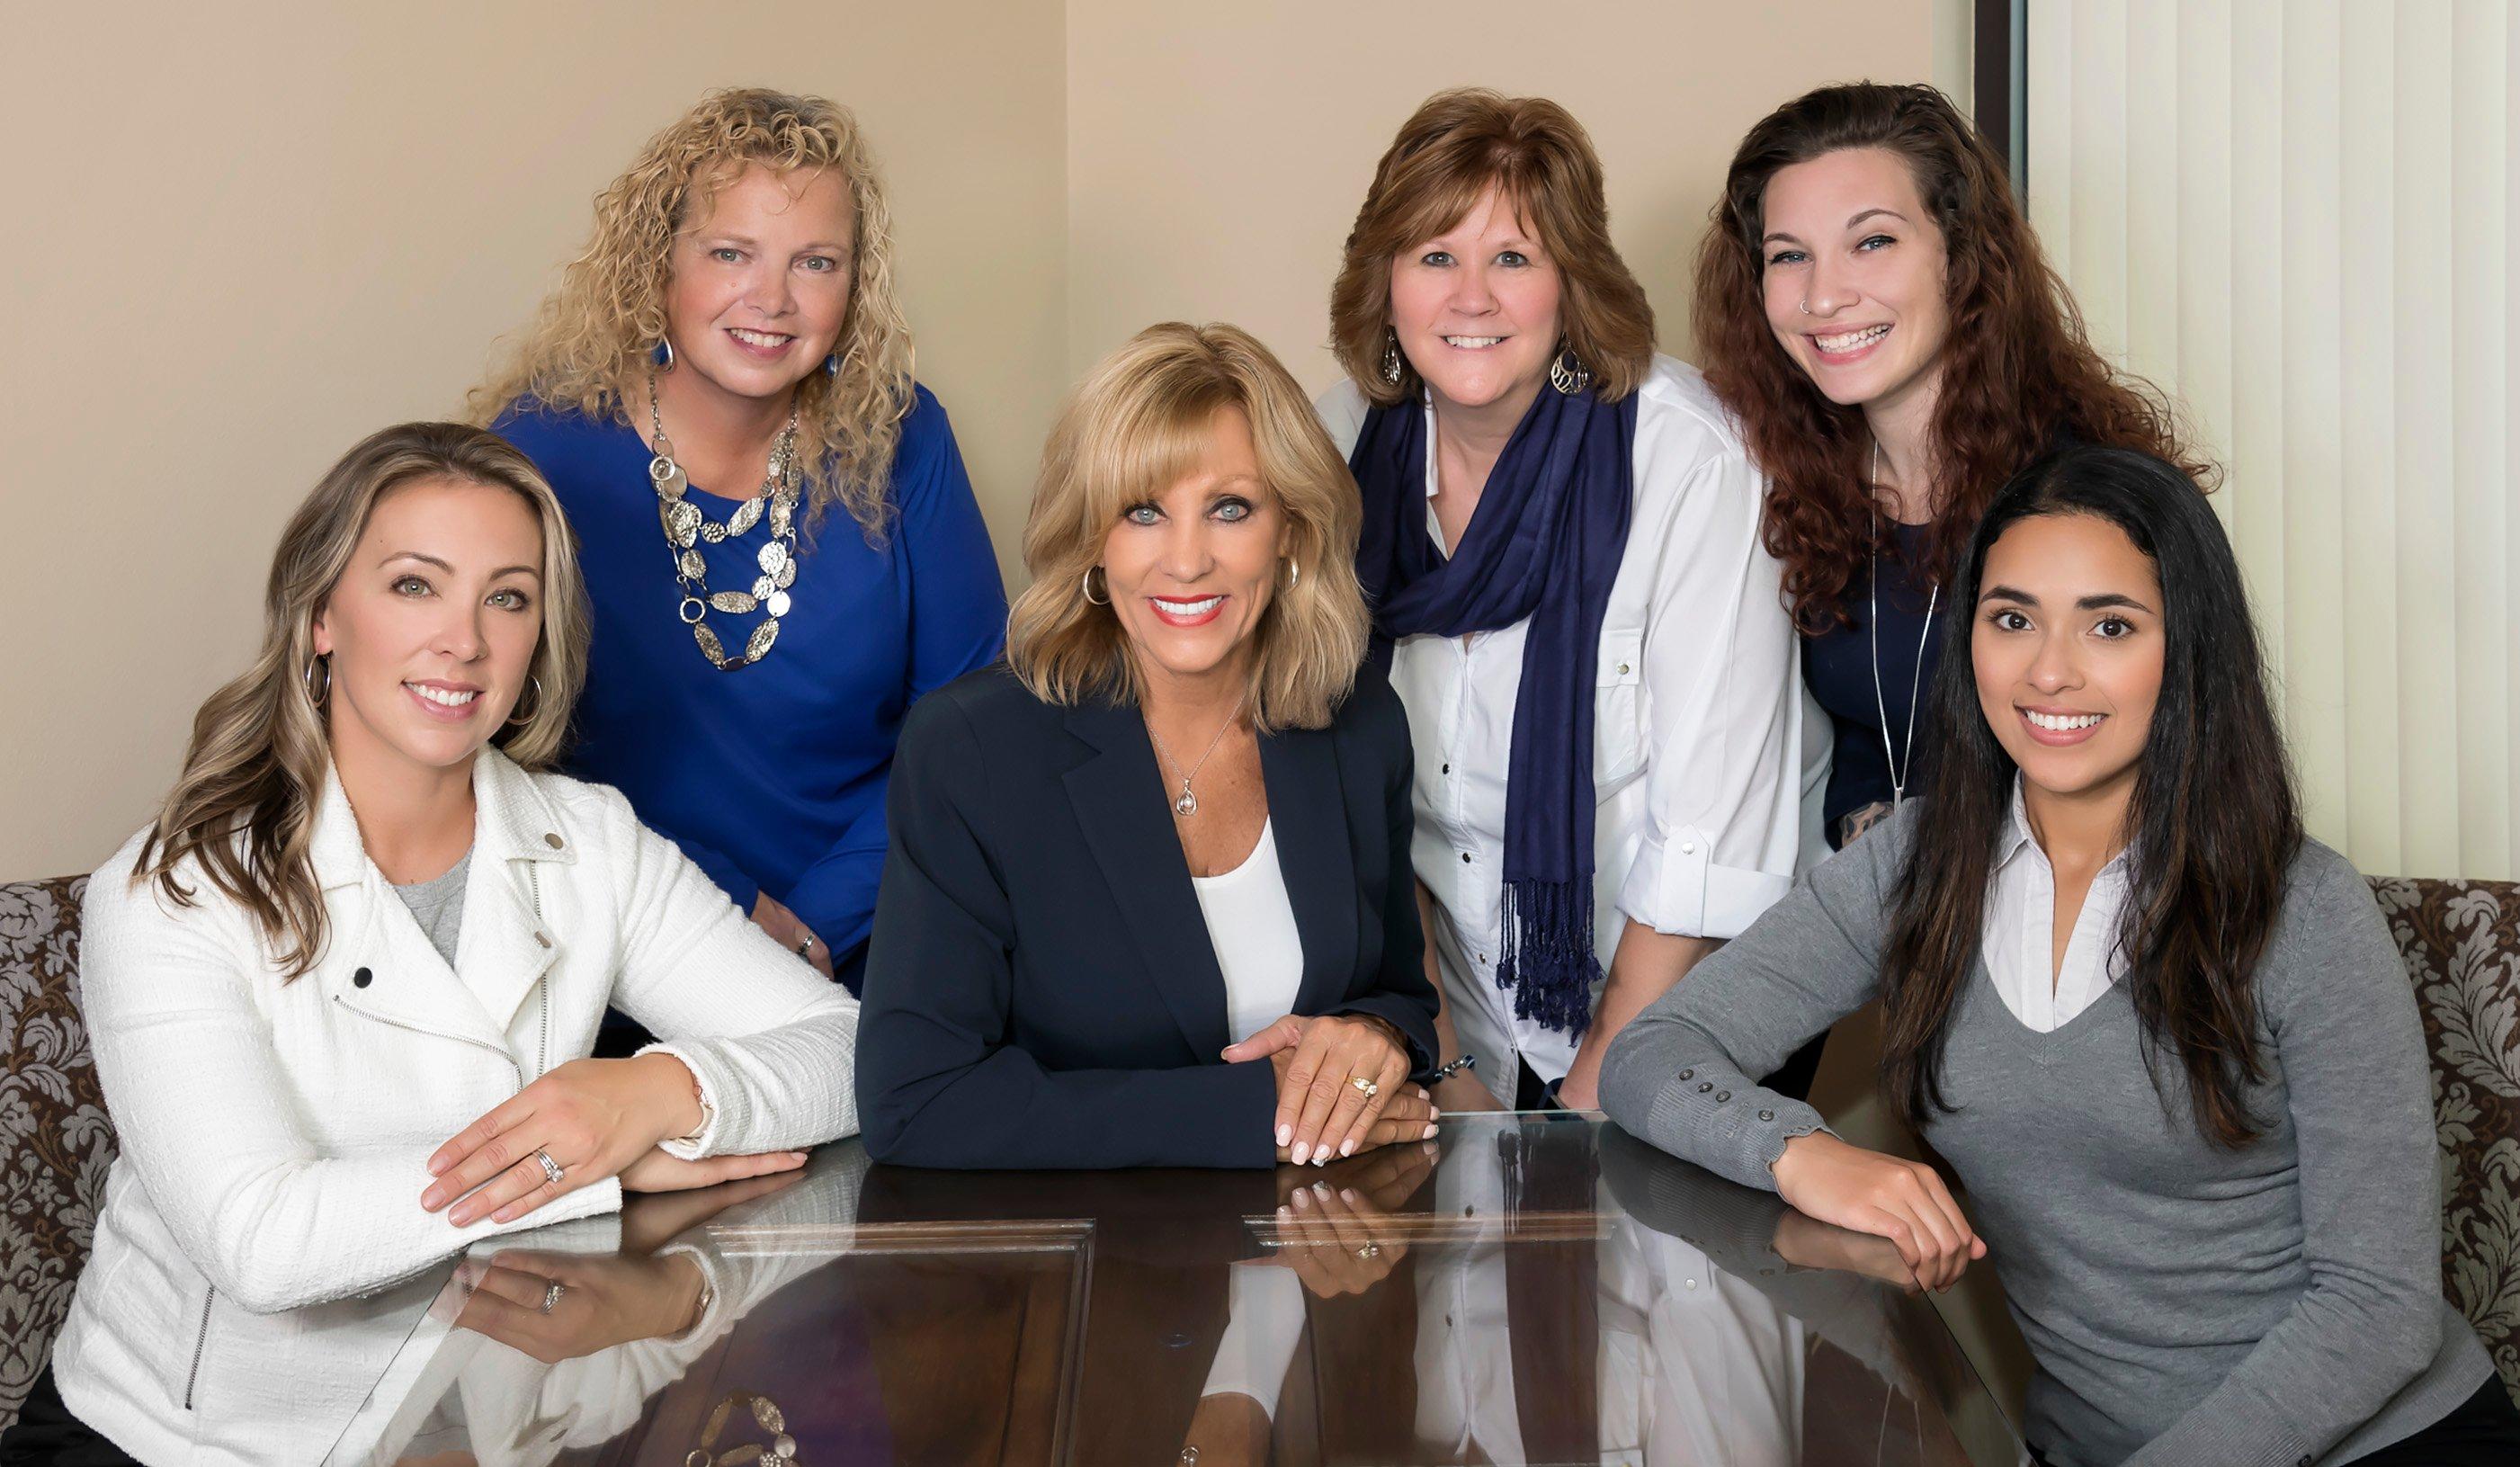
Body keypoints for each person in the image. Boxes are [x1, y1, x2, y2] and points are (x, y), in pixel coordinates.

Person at [1601, 445, 2515, 1465]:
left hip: (2382, 1444)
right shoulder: (1914, 860)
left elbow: (2379, 1308)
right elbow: (1653, 1051)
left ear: (2188, 651)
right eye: (2013, 617)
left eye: (2110, 624)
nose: (2049, 669)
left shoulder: (2305, 909)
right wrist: (1801, 1152)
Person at [17, 425, 860, 1464]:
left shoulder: (591, 839)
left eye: (507, 597)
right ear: (322, 615)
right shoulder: (172, 890)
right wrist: (593, 1165)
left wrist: (656, 1094)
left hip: (484, 1416)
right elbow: (262, 1240)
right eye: (416, 586)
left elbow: (846, 1048)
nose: (463, 640)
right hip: (190, 1445)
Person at [1318, 88, 1826, 1111]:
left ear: (1571, 283)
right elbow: (1353, 793)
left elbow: (1708, 839)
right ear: (1384, 285)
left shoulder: (1688, 458)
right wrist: (1452, 1070)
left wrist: (1587, 1109)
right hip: (1450, 988)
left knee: (1636, 1261)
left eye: (1513, 258)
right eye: (1433, 256)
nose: (1471, 298)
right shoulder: (1338, 454)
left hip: (1687, 983)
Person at [856, 323, 1441, 1170]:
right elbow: (917, 1100)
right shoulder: (972, 751)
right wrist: (1253, 1112)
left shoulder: (1358, 722)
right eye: (1143, 512)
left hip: (1326, 1266)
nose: (1188, 560)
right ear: (1095, 539)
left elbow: (1395, 988)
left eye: (1230, 508)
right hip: (1089, 1278)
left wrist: (1376, 1036)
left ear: (1291, 533)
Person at [473, 87, 1005, 1006]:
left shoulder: (908, 439)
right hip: (622, 947)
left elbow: (973, 724)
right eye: (730, 253)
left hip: (889, 930)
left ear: (855, 284)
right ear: (658, 266)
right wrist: (728, 907)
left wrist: (816, 925)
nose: (772, 299)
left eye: (816, 262)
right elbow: (509, 749)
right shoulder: (540, 453)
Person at [1693, 82, 2205, 851]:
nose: (1825, 296)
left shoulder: (2085, 496)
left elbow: (2165, 769)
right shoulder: (1802, 482)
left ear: (1960, 256)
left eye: (1872, 242)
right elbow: (1871, 729)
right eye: (1789, 255)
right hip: (1877, 910)